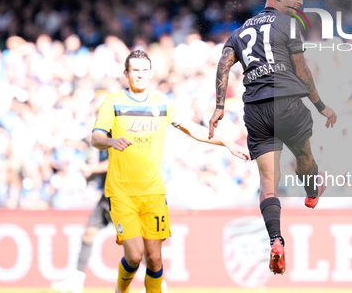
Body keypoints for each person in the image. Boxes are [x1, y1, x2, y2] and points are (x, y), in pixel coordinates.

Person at [208, 0, 337, 275]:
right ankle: (311, 191)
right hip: (287, 102)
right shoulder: (288, 24)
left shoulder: (238, 33)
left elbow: (223, 63)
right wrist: (320, 105)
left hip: (255, 110)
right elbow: (301, 70)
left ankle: (276, 240)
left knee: (268, 184)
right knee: (305, 156)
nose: (301, 0)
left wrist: (218, 106)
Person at [92, 50, 249, 293]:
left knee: (154, 258)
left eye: (145, 71)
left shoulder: (162, 104)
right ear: (126, 74)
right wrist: (111, 142)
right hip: (122, 192)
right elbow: (96, 136)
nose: (140, 75)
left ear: (152, 73)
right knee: (134, 255)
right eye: (135, 70)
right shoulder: (112, 102)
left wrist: (227, 143)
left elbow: (193, 129)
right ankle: (120, 291)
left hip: (153, 192)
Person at [50, 150, 169, 293]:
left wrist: (91, 168)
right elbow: (102, 170)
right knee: (88, 234)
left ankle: (158, 282)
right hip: (106, 199)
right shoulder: (101, 147)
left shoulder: (120, 136)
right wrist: (83, 179)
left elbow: (116, 162)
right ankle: (77, 280)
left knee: (135, 248)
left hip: (122, 200)